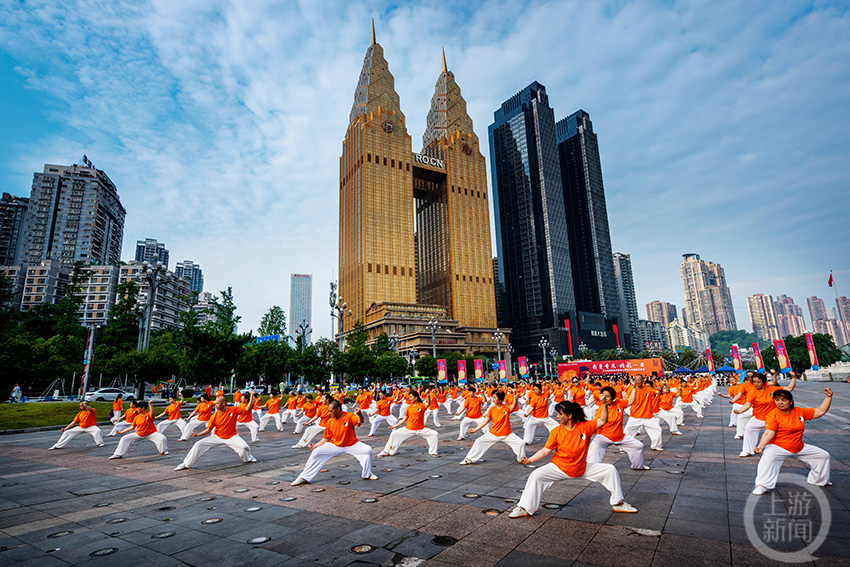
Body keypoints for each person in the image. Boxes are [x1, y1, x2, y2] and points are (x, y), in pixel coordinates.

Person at [509, 401, 637, 518]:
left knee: (610, 470)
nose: (557, 417)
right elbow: (545, 450)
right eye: (557, 414)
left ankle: (618, 503)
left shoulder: (585, 427)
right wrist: (530, 460)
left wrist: (603, 404)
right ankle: (525, 507)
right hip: (559, 468)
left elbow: (603, 420)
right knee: (536, 475)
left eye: (560, 414)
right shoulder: (556, 431)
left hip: (581, 468)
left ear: (569, 415)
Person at [752, 389, 833, 494]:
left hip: (798, 446)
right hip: (778, 447)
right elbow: (769, 433)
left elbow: (820, 411)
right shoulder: (772, 415)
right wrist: (760, 446)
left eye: (783, 400)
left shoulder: (799, 411)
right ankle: (762, 485)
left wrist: (829, 397)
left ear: (790, 402)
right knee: (768, 457)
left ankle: (818, 480)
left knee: (823, 456)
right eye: (776, 400)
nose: (779, 402)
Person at [290, 401, 378, 485]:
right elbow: (326, 438)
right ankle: (304, 477)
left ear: (338, 409)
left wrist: (360, 415)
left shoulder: (349, 416)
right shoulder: (330, 421)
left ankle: (367, 474)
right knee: (316, 452)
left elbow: (360, 421)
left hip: (351, 444)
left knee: (367, 450)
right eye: (328, 411)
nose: (329, 413)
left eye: (331, 411)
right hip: (335, 445)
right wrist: (315, 446)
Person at [174, 393, 258, 470]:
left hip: (231, 436)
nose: (215, 405)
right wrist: (197, 435)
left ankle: (248, 458)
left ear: (223, 403)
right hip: (217, 436)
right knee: (198, 444)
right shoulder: (214, 416)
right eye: (215, 403)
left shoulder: (233, 409)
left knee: (244, 447)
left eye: (217, 403)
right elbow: (208, 430)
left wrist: (251, 399)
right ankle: (186, 464)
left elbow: (246, 409)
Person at [587, 386, 649, 470]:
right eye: (603, 396)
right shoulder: (601, 410)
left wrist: (634, 388)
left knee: (638, 446)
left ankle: (638, 466)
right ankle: (590, 470)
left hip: (619, 436)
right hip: (603, 437)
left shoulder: (619, 403)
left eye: (608, 396)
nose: (605, 398)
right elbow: (596, 424)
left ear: (612, 397)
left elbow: (631, 400)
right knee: (594, 448)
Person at [735, 372, 796, 457]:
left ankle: (785, 448)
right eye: (754, 382)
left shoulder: (772, 389)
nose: (756, 384)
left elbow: (789, 388)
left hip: (773, 418)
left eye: (758, 382)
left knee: (783, 433)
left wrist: (793, 378)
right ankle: (747, 450)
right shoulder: (752, 392)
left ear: (764, 382)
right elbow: (747, 404)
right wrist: (740, 411)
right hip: (758, 417)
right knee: (749, 429)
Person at [459, 390, 526, 465]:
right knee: (479, 441)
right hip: (494, 434)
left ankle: (521, 458)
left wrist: (515, 396)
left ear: (500, 400)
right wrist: (476, 429)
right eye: (492, 397)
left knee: (521, 443)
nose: (493, 399)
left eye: (494, 397)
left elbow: (513, 405)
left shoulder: (506, 408)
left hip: (507, 434)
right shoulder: (491, 409)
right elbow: (485, 421)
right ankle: (469, 459)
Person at [377, 391, 439, 457]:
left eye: (411, 397)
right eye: (409, 397)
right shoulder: (408, 408)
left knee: (434, 434)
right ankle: (386, 451)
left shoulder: (421, 405)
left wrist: (428, 395)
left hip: (421, 429)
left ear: (416, 397)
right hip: (408, 429)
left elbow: (428, 404)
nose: (410, 398)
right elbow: (403, 420)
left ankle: (433, 452)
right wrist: (394, 426)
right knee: (394, 434)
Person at [623, 375, 665, 452]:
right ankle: (624, 447)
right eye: (636, 380)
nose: (638, 382)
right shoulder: (631, 390)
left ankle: (656, 446)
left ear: (643, 380)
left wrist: (660, 390)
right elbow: (628, 401)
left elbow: (657, 392)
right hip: (635, 416)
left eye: (639, 380)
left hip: (648, 416)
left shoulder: (648, 389)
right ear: (634, 381)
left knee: (657, 429)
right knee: (627, 431)